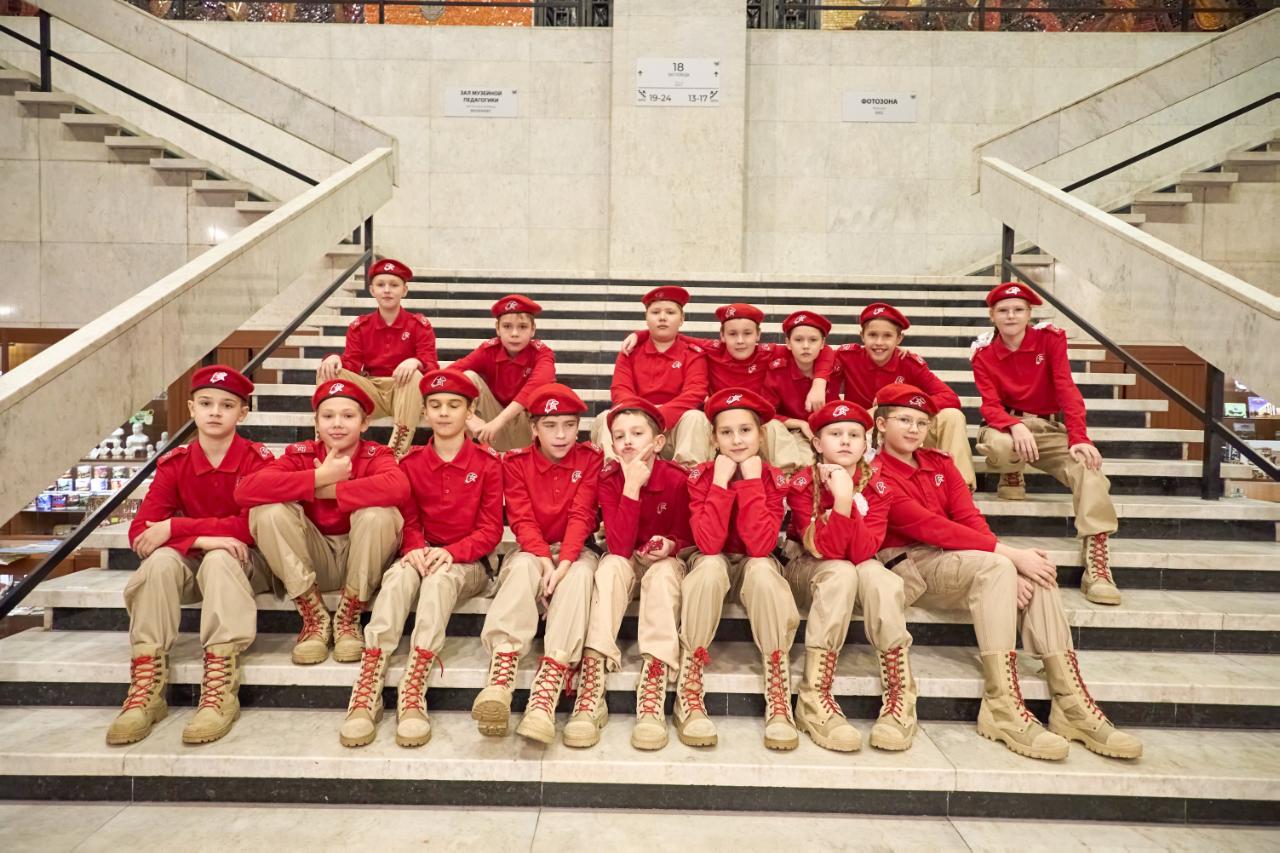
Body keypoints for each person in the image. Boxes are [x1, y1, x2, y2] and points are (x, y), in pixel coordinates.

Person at [870, 382, 1141, 761]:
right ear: (881, 424)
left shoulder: (940, 463)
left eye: (921, 422)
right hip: (912, 567)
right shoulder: (873, 472)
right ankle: (1001, 703)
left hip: (959, 560)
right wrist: (1006, 558)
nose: (914, 429)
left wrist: (1011, 564)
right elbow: (929, 527)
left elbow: (968, 518)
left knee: (1037, 571)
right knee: (1007, 562)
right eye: (904, 420)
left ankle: (1071, 702)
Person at [108, 366, 274, 746]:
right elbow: (142, 533)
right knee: (159, 562)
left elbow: (252, 528)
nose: (215, 412)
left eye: (227, 405)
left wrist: (177, 528)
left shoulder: (258, 460)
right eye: (206, 403)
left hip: (247, 565)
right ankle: (147, 685)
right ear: (191, 409)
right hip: (194, 561)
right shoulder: (176, 463)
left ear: (242, 413)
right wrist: (204, 539)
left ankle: (219, 685)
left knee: (220, 559)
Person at [340, 369, 503, 748]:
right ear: (425, 412)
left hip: (469, 563)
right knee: (397, 576)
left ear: (470, 411)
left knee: (441, 579)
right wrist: (414, 548)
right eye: (436, 405)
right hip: (422, 552)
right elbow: (409, 521)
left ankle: (414, 684)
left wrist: (450, 553)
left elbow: (490, 531)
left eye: (454, 405)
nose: (444, 413)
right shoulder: (410, 463)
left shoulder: (488, 464)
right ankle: (370, 680)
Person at [235, 379, 408, 666]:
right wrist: (319, 477)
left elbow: (398, 487)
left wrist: (330, 491)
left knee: (379, 514)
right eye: (328, 416)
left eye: (348, 416)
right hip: (311, 561)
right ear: (316, 423)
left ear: (365, 423)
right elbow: (246, 491)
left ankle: (349, 617)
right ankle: (313, 615)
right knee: (267, 511)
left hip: (362, 561)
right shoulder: (300, 455)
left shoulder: (377, 455)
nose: (337, 423)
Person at [971, 282, 1121, 605]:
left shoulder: (1050, 340)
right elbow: (990, 405)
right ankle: (1011, 469)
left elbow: (1066, 388)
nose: (1011, 316)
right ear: (992, 316)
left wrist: (1079, 437)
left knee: (1088, 467)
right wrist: (1013, 426)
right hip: (1005, 426)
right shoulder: (983, 353)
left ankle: (1096, 558)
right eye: (1003, 310)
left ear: (1029, 314)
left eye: (1018, 310)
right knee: (1000, 446)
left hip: (1048, 426)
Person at [470, 383, 602, 745]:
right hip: (533, 547)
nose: (561, 435)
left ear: (578, 427)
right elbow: (522, 518)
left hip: (577, 548)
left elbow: (582, 514)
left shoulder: (590, 460)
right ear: (533, 428)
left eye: (569, 426)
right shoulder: (515, 463)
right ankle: (502, 673)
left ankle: (548, 686)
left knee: (580, 575)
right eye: (550, 425)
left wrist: (564, 563)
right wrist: (545, 561)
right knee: (522, 568)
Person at [784, 400, 916, 752]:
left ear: (866, 442)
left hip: (857, 563)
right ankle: (814, 695)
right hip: (808, 569)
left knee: (880, 577)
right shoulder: (802, 484)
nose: (845, 441)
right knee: (841, 572)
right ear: (817, 443)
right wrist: (843, 500)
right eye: (835, 434)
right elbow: (823, 550)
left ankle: (900, 697)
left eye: (854, 435)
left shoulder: (880, 487)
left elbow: (863, 551)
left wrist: (846, 501)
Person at [678, 387, 799, 751]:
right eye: (726, 432)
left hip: (751, 562)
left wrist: (750, 483)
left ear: (761, 435)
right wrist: (719, 482)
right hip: (712, 561)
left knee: (762, 568)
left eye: (745, 430)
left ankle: (777, 686)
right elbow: (708, 543)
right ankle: (690, 681)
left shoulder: (773, 478)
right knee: (710, 566)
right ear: (713, 438)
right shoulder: (701, 476)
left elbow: (760, 545)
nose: (736, 440)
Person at [567, 397, 692, 751]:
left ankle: (654, 678)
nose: (627, 442)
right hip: (627, 561)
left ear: (658, 442)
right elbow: (620, 547)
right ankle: (592, 678)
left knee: (663, 575)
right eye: (619, 436)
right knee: (609, 567)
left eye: (637, 434)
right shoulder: (609, 478)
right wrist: (631, 486)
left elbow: (690, 536)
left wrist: (671, 544)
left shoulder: (676, 479)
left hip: (664, 563)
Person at [622, 303, 833, 471]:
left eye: (747, 334)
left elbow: (825, 351)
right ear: (722, 336)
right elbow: (673, 336)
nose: (740, 341)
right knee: (698, 421)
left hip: (754, 422)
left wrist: (819, 381)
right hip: (722, 423)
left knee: (774, 427)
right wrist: (640, 335)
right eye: (732, 334)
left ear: (758, 335)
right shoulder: (713, 350)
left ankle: (790, 485)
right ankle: (692, 476)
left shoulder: (770, 352)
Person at [829, 302, 976, 489]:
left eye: (887, 336)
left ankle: (960, 485)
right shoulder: (848, 356)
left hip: (900, 428)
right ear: (862, 336)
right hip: (862, 430)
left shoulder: (908, 363)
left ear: (899, 338)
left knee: (952, 416)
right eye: (872, 335)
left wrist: (901, 404)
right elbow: (821, 356)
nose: (879, 342)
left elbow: (950, 397)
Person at [315, 258, 438, 459]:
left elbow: (432, 365)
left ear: (404, 290)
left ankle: (395, 452)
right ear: (372, 290)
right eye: (381, 285)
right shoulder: (360, 326)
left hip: (406, 392)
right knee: (327, 371)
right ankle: (323, 446)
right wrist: (334, 358)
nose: (387, 290)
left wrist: (416, 361)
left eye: (394, 285)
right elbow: (352, 363)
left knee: (416, 375)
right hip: (373, 391)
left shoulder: (418, 325)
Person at [592, 285, 710, 466]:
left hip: (673, 428)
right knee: (605, 417)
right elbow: (620, 390)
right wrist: (641, 419)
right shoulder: (630, 351)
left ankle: (688, 475)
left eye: (670, 312)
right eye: (655, 312)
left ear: (682, 319)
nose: (662, 317)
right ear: (646, 318)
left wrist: (657, 417)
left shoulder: (693, 353)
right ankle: (613, 473)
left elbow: (695, 392)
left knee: (695, 417)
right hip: (635, 427)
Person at [449, 294, 555, 453]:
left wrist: (499, 421)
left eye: (522, 327)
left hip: (526, 425)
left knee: (545, 394)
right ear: (497, 329)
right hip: (490, 425)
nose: (514, 333)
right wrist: (468, 416)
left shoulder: (542, 353)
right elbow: (448, 374)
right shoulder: (488, 350)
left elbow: (537, 384)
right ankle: (474, 453)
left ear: (533, 330)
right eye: (507, 326)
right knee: (468, 378)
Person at [762, 310, 836, 472]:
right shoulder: (777, 372)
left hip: (829, 428)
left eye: (813, 340)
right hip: (793, 431)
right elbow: (767, 413)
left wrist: (819, 382)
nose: (806, 346)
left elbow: (831, 352)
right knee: (802, 458)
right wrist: (800, 424)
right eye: (798, 340)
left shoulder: (834, 366)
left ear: (822, 343)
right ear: (788, 343)